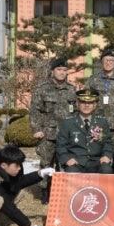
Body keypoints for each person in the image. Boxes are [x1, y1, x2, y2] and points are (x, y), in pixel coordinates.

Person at [29, 56, 76, 204]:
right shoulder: (42, 89)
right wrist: (37, 129)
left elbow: (75, 112)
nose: (62, 73)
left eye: (64, 70)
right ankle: (44, 192)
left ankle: (61, 192)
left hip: (66, 135)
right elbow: (35, 111)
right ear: (52, 71)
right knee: (46, 163)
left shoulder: (71, 89)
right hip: (48, 133)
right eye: (59, 69)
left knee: (64, 163)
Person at [55, 88, 114, 174]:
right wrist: (67, 159)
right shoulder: (68, 122)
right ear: (77, 104)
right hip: (76, 162)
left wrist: (106, 156)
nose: (86, 105)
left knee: (107, 170)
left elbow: (108, 143)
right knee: (72, 172)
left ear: (95, 105)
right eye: (83, 102)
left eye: (90, 103)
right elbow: (60, 145)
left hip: (97, 161)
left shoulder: (102, 122)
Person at [85, 48, 114, 140]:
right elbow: (85, 100)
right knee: (97, 150)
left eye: (111, 61)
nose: (108, 63)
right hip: (97, 122)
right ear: (101, 62)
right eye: (106, 60)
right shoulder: (93, 79)